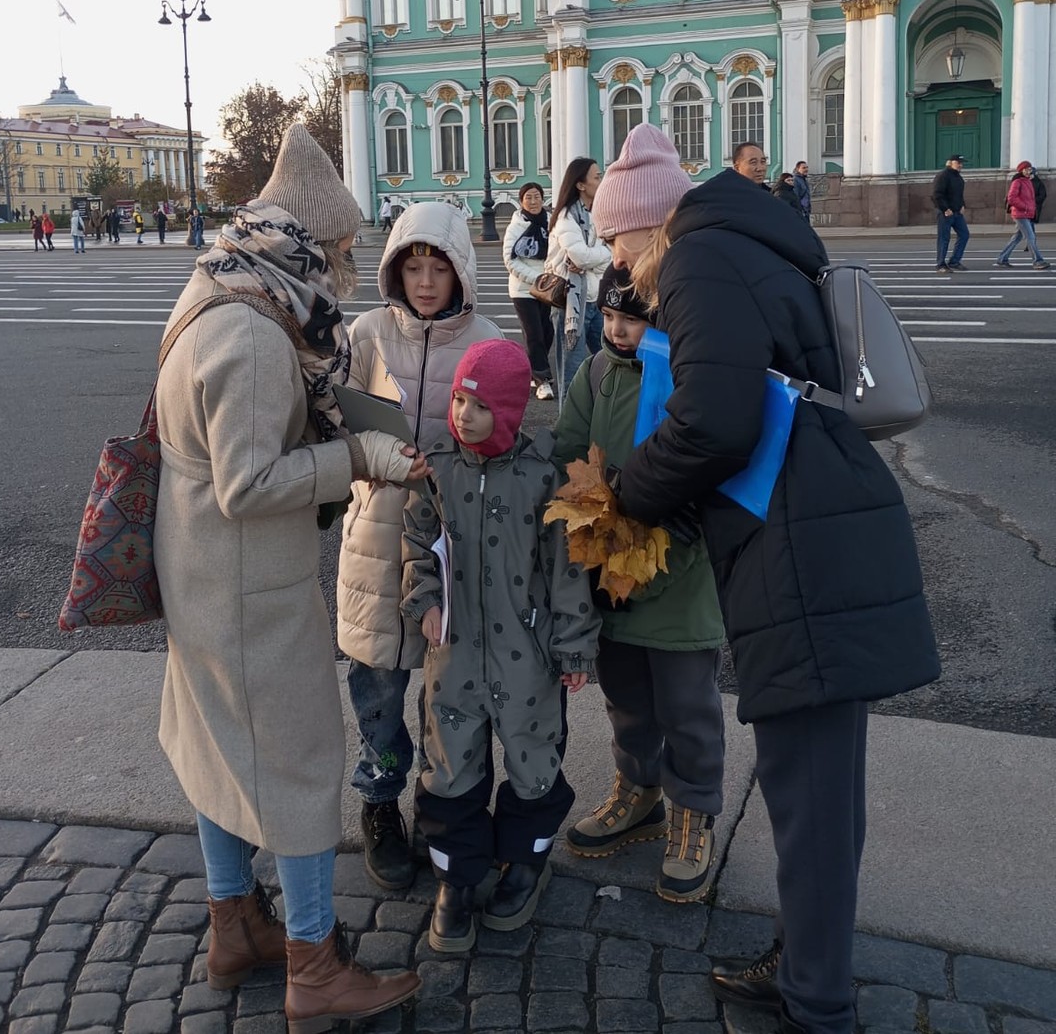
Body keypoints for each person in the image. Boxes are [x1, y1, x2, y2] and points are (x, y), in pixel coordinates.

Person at [615, 167, 940, 1034]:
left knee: (814, 804)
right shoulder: (752, 245)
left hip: (803, 547)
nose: (613, 264)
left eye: (614, 239)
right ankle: (805, 963)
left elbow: (717, 417)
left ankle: (819, 1006)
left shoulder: (695, 260)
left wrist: (630, 491)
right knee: (820, 796)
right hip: (820, 531)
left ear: (649, 227)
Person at [153, 124, 423, 1025]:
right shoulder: (257, 336)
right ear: (308, 242)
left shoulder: (217, 283)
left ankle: (234, 926)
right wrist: (358, 456)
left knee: (217, 742)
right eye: (343, 251)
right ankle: (313, 961)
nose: (345, 271)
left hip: (195, 565)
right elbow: (248, 482)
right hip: (243, 582)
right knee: (302, 756)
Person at [402, 340, 599, 953]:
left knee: (532, 759)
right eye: (459, 400)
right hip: (454, 655)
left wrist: (573, 649)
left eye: (479, 406)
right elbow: (416, 542)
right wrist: (424, 599)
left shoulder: (543, 478)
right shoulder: (437, 467)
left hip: (527, 658)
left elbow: (567, 571)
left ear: (510, 412)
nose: (463, 415)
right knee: (450, 761)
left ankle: (525, 862)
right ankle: (456, 878)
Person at [338, 203, 502, 890]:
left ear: (460, 269)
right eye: (414, 264)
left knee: (449, 692)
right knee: (378, 686)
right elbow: (333, 431)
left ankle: (444, 809)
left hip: (451, 541)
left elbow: (507, 437)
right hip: (377, 535)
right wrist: (377, 454)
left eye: (438, 266)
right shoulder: (367, 332)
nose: (426, 280)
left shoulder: (489, 338)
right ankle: (379, 801)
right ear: (396, 267)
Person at [555, 264, 725, 904]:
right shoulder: (595, 374)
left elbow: (716, 458)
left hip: (680, 573)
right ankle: (639, 790)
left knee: (688, 705)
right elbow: (567, 451)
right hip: (610, 567)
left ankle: (693, 809)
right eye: (612, 316)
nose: (621, 330)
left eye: (636, 318)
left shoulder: (689, 376)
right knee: (626, 693)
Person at [544, 158, 610, 403]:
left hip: (594, 300)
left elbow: (609, 254)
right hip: (570, 306)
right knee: (571, 375)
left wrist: (597, 259)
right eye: (596, 176)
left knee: (610, 361)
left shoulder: (597, 214)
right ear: (580, 184)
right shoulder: (565, 217)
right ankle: (567, 433)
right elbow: (579, 257)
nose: (600, 181)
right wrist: (603, 257)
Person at [503, 181, 555, 400]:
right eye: (528, 198)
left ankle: (532, 370)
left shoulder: (551, 223)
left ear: (543, 199)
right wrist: (539, 278)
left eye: (537, 197)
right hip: (523, 290)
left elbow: (558, 252)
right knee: (534, 334)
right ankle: (542, 380)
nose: (533, 202)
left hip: (548, 289)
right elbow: (510, 260)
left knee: (547, 332)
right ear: (521, 201)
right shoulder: (516, 226)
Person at [995, 162, 1051, 270]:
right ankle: (1038, 261)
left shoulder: (1027, 181)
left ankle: (1002, 259)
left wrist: (1031, 208)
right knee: (1030, 237)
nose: (1029, 171)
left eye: (1030, 169)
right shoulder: (1017, 181)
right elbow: (1011, 198)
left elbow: (1030, 198)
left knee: (1017, 237)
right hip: (1020, 214)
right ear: (1021, 170)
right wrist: (1025, 207)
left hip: (1026, 213)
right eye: (1026, 169)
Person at [932, 154, 969, 272]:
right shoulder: (943, 176)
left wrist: (963, 205)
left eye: (961, 163)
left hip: (957, 213)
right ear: (950, 163)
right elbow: (936, 195)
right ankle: (940, 265)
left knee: (964, 235)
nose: (960, 165)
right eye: (958, 162)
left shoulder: (958, 177)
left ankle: (954, 261)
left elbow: (959, 194)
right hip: (945, 213)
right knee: (944, 238)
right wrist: (945, 209)